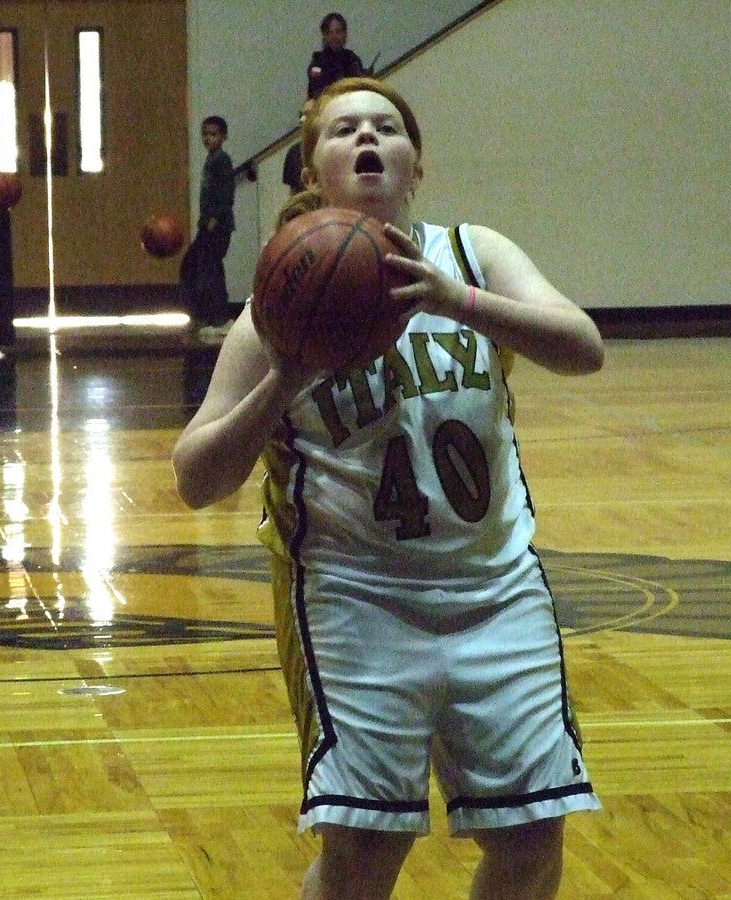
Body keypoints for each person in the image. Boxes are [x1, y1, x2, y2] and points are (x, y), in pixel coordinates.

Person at [172, 77, 604, 899]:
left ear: (415, 163)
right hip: (355, 599)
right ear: (315, 166)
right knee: (366, 853)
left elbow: (583, 347)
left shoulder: (476, 253)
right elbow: (197, 479)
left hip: (496, 588)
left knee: (529, 838)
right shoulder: (286, 298)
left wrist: (457, 300)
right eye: (344, 131)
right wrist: (283, 381)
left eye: (386, 128)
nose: (367, 139)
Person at [179, 115, 236, 341]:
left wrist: (214, 219)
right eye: (205, 134)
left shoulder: (222, 160)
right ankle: (206, 315)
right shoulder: (212, 159)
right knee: (198, 267)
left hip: (217, 226)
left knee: (209, 270)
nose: (208, 138)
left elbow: (225, 193)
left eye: (213, 134)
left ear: (223, 137)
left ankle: (220, 318)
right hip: (208, 224)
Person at [305, 12, 368, 100]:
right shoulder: (317, 63)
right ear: (324, 36)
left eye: (338, 32)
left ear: (345, 34)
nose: (334, 37)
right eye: (330, 32)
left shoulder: (352, 59)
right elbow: (317, 89)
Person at [282, 100, 315, 196]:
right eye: (301, 115)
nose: (302, 119)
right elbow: (293, 193)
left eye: (307, 114)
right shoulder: (294, 152)